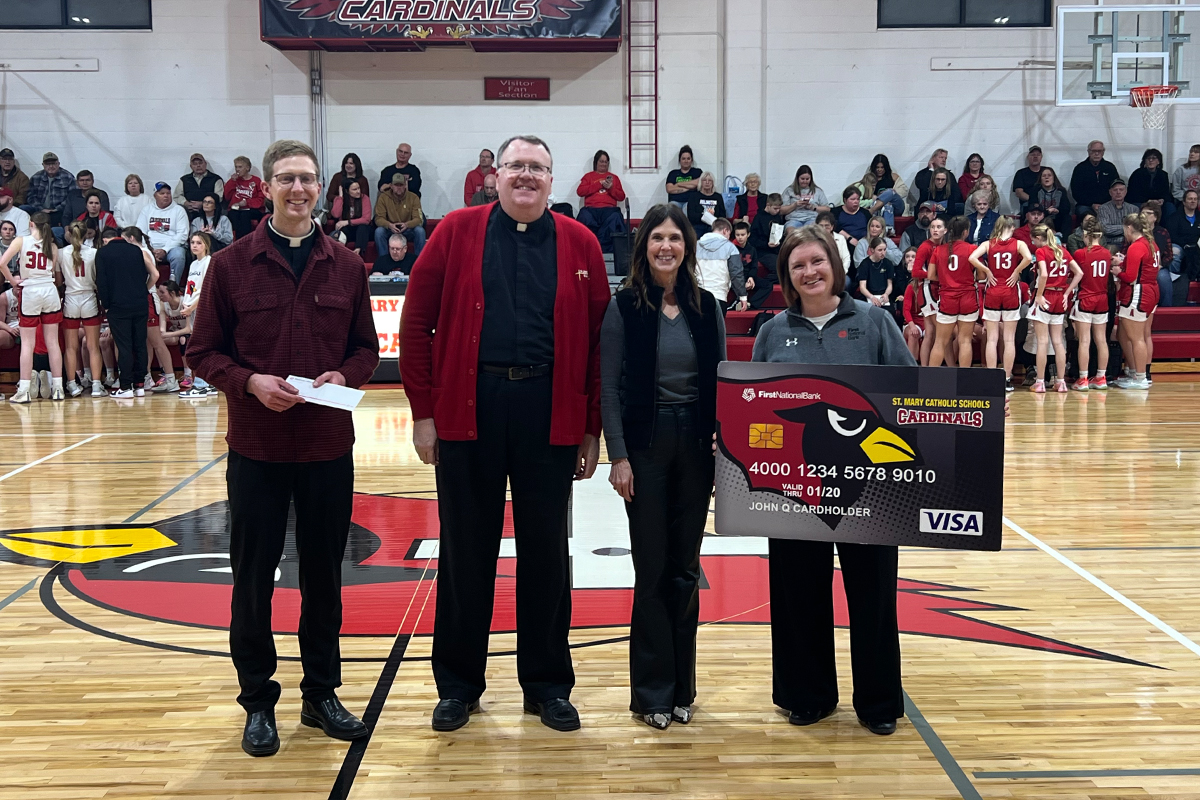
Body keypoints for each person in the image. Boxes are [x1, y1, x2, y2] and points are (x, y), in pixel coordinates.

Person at [399, 134, 610, 734]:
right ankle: (459, 686)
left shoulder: (582, 243)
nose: (525, 176)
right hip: (471, 408)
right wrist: (423, 412)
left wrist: (589, 427)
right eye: (516, 165)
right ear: (495, 175)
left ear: (552, 178)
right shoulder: (456, 232)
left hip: (549, 411)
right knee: (467, 552)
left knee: (547, 554)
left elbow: (597, 344)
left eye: (537, 168)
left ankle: (547, 685)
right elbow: (417, 325)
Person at [188, 139, 379, 757]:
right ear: (267, 188)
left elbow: (365, 351)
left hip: (326, 446)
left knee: (325, 577)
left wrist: (344, 378)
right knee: (253, 578)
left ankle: (321, 695)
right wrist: (248, 382)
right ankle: (257, 701)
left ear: (320, 189)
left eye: (307, 179)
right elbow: (202, 352)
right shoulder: (231, 264)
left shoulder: (348, 267)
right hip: (257, 448)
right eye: (287, 179)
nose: (298, 189)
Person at [751, 225, 914, 736]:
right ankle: (808, 695)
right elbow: (752, 405)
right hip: (794, 489)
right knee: (798, 594)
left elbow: (909, 392)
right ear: (787, 275)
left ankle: (879, 702)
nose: (809, 272)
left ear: (835, 265)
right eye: (797, 265)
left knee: (873, 595)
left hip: (870, 489)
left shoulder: (874, 321)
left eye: (817, 262)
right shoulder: (772, 331)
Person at [600, 202, 726, 730]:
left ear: (687, 247)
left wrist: (729, 453)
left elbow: (723, 383)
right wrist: (619, 455)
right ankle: (650, 692)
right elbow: (608, 386)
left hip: (696, 448)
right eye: (657, 238)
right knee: (651, 569)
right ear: (643, 246)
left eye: (675, 238)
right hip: (646, 449)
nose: (666, 246)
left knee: (685, 568)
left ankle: (682, 688)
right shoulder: (624, 306)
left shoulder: (708, 306)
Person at [0, 212, 64, 403]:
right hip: (50, 291)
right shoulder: (52, 246)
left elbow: (2, 263)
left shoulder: (21, 240)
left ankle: (25, 389)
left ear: (31, 224)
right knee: (53, 342)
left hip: (31, 291)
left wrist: (13, 282)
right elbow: (52, 271)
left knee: (28, 344)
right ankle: (58, 388)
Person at [94, 227, 157, 397]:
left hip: (117, 305)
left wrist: (106, 305)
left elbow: (102, 281)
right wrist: (144, 291)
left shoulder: (102, 253)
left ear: (106, 240)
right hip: (140, 303)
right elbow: (152, 274)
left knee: (124, 346)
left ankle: (126, 386)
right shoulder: (137, 250)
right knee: (140, 344)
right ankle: (140, 385)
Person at [970, 216, 1031, 392]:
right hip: (1011, 290)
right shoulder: (1018, 243)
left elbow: (972, 257)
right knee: (1009, 339)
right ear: (1011, 227)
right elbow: (1028, 258)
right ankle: (1006, 379)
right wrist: (1017, 271)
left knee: (992, 338)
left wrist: (987, 270)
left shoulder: (988, 244)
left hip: (993, 290)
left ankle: (991, 379)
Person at [1029, 225, 1082, 393]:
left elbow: (1044, 274)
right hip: (1060, 298)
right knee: (1058, 342)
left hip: (1046, 297)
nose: (1033, 243)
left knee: (1042, 342)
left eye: (1033, 240)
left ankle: (1040, 382)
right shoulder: (1062, 250)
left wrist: (1039, 294)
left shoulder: (1041, 251)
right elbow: (1079, 273)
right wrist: (1067, 293)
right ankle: (1061, 381)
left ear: (1038, 238)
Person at [927, 216, 985, 368]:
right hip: (968, 298)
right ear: (966, 232)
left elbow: (931, 275)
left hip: (947, 298)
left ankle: (929, 381)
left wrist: (946, 278)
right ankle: (963, 382)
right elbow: (981, 276)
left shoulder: (939, 250)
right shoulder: (972, 249)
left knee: (940, 341)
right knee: (965, 341)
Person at [1113, 213, 1159, 390]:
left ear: (1129, 228)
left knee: (1136, 337)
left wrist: (1118, 271)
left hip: (1138, 293)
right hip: (1150, 290)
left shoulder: (1136, 247)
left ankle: (1140, 378)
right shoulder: (1151, 243)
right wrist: (1124, 263)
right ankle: (1135, 372)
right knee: (1126, 334)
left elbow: (1131, 276)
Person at [58, 221, 102, 396]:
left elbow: (59, 282)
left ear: (69, 233)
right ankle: (97, 385)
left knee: (71, 347)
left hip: (70, 298)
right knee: (93, 346)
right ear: (86, 234)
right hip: (89, 297)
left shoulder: (61, 253)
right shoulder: (94, 253)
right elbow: (98, 279)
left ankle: (71, 384)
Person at [1070, 217, 1112, 391]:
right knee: (1101, 340)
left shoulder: (1080, 253)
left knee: (1084, 341)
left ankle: (1083, 378)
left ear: (1085, 234)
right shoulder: (1107, 253)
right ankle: (1101, 377)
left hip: (1086, 297)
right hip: (1102, 298)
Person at [172, 232, 214, 397]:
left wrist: (193, 306)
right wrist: (186, 303)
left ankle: (201, 384)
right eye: (192, 242)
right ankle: (207, 384)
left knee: (201, 346)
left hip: (203, 308)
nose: (195, 245)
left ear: (206, 245)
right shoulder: (194, 264)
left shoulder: (208, 262)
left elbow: (206, 290)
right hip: (193, 309)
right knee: (197, 345)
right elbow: (192, 288)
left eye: (199, 242)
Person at [912, 217, 949, 366]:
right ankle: (929, 368)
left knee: (930, 333)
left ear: (945, 230)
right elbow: (915, 271)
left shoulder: (944, 246)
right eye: (933, 227)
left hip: (936, 289)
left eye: (939, 227)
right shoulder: (925, 247)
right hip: (928, 289)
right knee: (939, 334)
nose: (935, 229)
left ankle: (925, 368)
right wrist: (935, 276)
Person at [137, 182, 190, 283]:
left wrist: (165, 250)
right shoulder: (146, 210)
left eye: (168, 193)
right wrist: (149, 249)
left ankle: (173, 286)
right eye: (162, 193)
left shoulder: (179, 210)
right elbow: (140, 232)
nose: (166, 195)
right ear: (155, 195)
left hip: (171, 248)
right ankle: (142, 286)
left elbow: (182, 234)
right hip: (150, 247)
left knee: (179, 255)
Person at [576, 149, 627, 252]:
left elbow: (621, 197)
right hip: (591, 210)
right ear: (596, 162)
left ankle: (605, 251)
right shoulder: (588, 176)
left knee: (615, 217)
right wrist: (599, 184)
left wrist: (611, 187)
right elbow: (580, 192)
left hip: (609, 210)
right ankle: (588, 250)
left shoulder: (615, 178)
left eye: (606, 162)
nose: (604, 164)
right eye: (601, 161)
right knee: (583, 216)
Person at [695, 217, 746, 309]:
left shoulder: (695, 246)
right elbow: (736, 273)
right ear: (725, 231)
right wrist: (742, 295)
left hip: (697, 296)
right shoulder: (731, 248)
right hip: (719, 296)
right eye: (729, 235)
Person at [374, 173, 425, 258]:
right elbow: (378, 219)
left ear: (405, 185)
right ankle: (384, 261)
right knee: (379, 232)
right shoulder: (383, 198)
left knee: (420, 231)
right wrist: (389, 225)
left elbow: (419, 219)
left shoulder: (413, 197)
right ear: (391, 186)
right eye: (396, 185)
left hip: (407, 229)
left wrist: (407, 225)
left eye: (401, 185)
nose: (399, 187)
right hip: (391, 229)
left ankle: (419, 262)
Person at [21, 152, 75, 227]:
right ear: (43, 165)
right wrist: (41, 209)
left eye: (53, 163)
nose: (51, 166)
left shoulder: (68, 177)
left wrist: (55, 209)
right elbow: (30, 196)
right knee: (22, 208)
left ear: (58, 164)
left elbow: (71, 197)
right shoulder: (36, 177)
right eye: (48, 164)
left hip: (59, 211)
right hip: (39, 209)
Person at [1070, 140, 1120, 217]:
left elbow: (1116, 187)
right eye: (1094, 151)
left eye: (1099, 151)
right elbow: (1076, 192)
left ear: (1103, 152)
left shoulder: (1110, 168)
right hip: (1085, 205)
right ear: (1089, 152)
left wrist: (1105, 204)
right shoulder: (1080, 169)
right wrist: (1092, 204)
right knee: (1087, 217)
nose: (1097, 153)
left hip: (1108, 204)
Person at [859, 154, 907, 232]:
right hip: (881, 208)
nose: (879, 170)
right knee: (888, 205)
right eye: (877, 167)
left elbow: (904, 190)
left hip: (897, 206)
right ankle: (889, 229)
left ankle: (871, 210)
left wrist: (887, 195)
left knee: (890, 192)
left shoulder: (893, 177)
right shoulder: (870, 179)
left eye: (882, 167)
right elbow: (865, 194)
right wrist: (875, 197)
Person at [1166, 189, 1200, 297]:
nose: (1193, 201)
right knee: (1174, 253)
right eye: (1190, 199)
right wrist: (1186, 245)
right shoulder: (1174, 217)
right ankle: (1174, 282)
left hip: (1197, 246)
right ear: (1184, 202)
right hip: (1180, 246)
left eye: (1195, 199)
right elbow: (1173, 236)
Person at [224, 157, 267, 239]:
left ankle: (244, 241)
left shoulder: (256, 180)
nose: (237, 170)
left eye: (240, 167)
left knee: (244, 215)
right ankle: (237, 242)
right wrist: (232, 182)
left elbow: (262, 200)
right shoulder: (234, 180)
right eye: (236, 167)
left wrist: (247, 203)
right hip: (236, 209)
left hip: (252, 210)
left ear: (247, 168)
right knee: (233, 214)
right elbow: (227, 196)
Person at [748, 193, 785, 285]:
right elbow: (752, 240)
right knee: (779, 270)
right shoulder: (759, 218)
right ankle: (761, 283)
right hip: (763, 251)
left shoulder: (777, 217)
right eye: (775, 208)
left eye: (779, 208)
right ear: (768, 205)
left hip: (776, 250)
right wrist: (766, 244)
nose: (777, 211)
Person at [174, 153, 224, 220]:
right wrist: (186, 203)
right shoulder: (184, 179)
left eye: (200, 163)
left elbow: (219, 197)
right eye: (195, 164)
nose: (198, 165)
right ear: (191, 166)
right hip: (189, 213)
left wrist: (203, 204)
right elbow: (177, 196)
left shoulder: (216, 179)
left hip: (210, 214)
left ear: (205, 164)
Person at [328, 181, 373, 255]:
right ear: (347, 191)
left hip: (362, 230)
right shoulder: (340, 199)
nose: (358, 191)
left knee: (363, 227)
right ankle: (339, 255)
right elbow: (336, 214)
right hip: (348, 230)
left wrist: (347, 222)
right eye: (354, 189)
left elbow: (366, 219)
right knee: (341, 230)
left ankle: (358, 251)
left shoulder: (364, 198)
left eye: (359, 188)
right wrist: (341, 197)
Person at [1127, 148, 1174, 219]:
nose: (1151, 160)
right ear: (1144, 161)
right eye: (1148, 158)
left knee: (1170, 207)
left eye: (1154, 158)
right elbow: (1132, 194)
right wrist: (1148, 201)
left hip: (1158, 202)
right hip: (1141, 202)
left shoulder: (1163, 175)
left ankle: (1166, 229)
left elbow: (1166, 193)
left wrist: (1162, 200)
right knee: (1135, 207)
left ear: (1158, 161)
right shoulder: (1137, 174)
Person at [779, 165, 830, 230]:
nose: (805, 181)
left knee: (810, 232)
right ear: (797, 178)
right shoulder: (789, 190)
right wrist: (795, 205)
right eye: (802, 179)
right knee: (791, 232)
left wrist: (813, 207)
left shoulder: (818, 191)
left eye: (807, 179)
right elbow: (781, 211)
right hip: (793, 220)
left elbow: (827, 209)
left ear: (811, 179)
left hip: (812, 219)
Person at [1098, 180, 1139, 249]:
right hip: (1110, 243)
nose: (1118, 192)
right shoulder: (1103, 209)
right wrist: (1126, 228)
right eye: (1115, 190)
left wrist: (1115, 229)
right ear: (1110, 192)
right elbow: (1105, 229)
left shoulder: (1134, 209)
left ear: (1125, 191)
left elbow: (1136, 229)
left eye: (1121, 189)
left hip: (1129, 243)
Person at [857, 237, 895, 310]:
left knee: (891, 312)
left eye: (884, 250)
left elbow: (890, 284)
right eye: (880, 250)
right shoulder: (865, 264)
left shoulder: (888, 263)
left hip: (883, 294)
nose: (883, 253)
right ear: (872, 250)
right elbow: (862, 287)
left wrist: (886, 294)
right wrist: (871, 297)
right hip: (869, 294)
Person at [816, 212, 852, 286]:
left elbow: (846, 258)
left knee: (847, 282)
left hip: (838, 272)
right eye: (821, 226)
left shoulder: (840, 238)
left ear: (832, 227)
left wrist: (842, 272)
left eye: (827, 226)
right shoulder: (813, 240)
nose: (823, 229)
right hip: (819, 273)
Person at [687, 172, 727, 237]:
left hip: (714, 225)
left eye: (710, 180)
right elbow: (691, 215)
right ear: (701, 182)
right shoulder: (694, 196)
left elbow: (722, 215)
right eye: (704, 180)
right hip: (698, 225)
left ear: (713, 183)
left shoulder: (718, 197)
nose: (707, 182)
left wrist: (713, 216)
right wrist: (706, 215)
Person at [1033, 167, 1072, 234]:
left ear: (1054, 179)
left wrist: (1057, 210)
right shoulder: (1035, 191)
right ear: (1040, 179)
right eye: (1044, 176)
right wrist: (1047, 212)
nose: (1046, 178)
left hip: (1057, 217)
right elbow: (1033, 208)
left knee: (1067, 218)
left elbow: (1066, 208)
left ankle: (1064, 242)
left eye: (1049, 175)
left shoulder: (1061, 191)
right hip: (1042, 217)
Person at [900, 249, 923, 360]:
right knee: (914, 333)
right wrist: (912, 325)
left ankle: (928, 367)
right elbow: (906, 310)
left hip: (928, 323)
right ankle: (912, 365)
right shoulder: (911, 286)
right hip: (913, 321)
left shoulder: (933, 287)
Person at [832, 186, 871, 251]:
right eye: (852, 199)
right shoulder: (836, 212)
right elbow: (835, 228)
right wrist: (850, 238)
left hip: (863, 243)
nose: (856, 202)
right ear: (845, 200)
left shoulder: (865, 213)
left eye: (858, 199)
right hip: (844, 242)